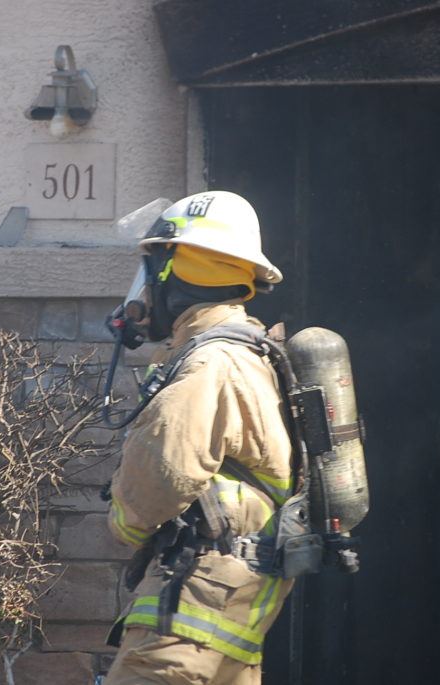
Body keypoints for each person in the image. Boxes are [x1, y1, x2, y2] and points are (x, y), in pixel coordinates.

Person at [104, 191, 294, 685]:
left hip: (187, 619)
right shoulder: (247, 352)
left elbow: (156, 484)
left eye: (151, 271)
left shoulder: (209, 364)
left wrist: (124, 520)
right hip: (226, 613)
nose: (143, 293)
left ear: (175, 274)